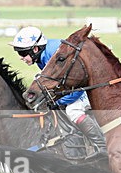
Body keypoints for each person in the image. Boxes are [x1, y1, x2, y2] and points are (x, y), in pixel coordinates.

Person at [11, 26, 107, 159]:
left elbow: (77, 82)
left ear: (35, 49)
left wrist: (60, 101)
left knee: (73, 111)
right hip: (76, 86)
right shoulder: (42, 56)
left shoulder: (53, 53)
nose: (21, 58)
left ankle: (102, 146)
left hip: (88, 85)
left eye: (22, 53)